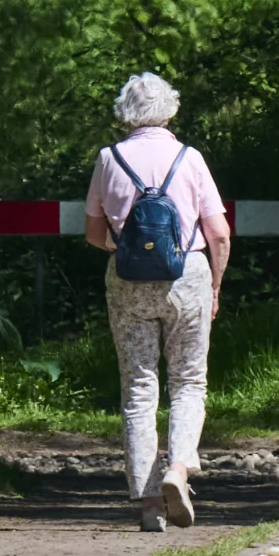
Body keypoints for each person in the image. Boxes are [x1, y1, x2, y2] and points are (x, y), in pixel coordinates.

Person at [83, 72, 231, 532]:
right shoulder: (190, 158)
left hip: (128, 281)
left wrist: (126, 251)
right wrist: (215, 288)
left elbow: (93, 233)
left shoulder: (109, 159)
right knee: (188, 381)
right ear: (170, 109)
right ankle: (179, 469)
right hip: (187, 275)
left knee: (138, 389)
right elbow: (219, 233)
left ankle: (149, 504)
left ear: (125, 112)